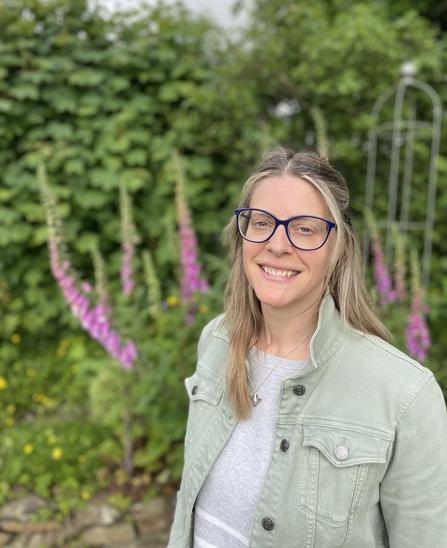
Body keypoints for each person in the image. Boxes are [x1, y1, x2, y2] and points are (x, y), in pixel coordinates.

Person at [167, 148, 447, 548]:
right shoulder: (217, 340)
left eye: (304, 228)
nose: (277, 245)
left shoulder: (405, 394)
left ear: (337, 247)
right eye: (261, 222)